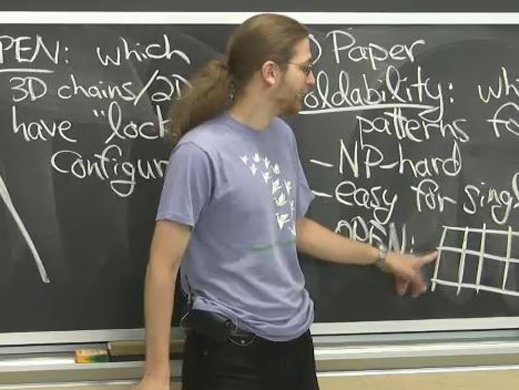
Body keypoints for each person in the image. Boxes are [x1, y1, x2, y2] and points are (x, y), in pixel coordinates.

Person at [135, 13, 437, 390]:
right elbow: (164, 265)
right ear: (270, 72)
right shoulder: (200, 152)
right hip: (230, 355)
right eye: (305, 68)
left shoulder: (280, 136)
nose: (311, 80)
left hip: (294, 344)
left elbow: (294, 226)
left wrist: (383, 257)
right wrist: (157, 374)